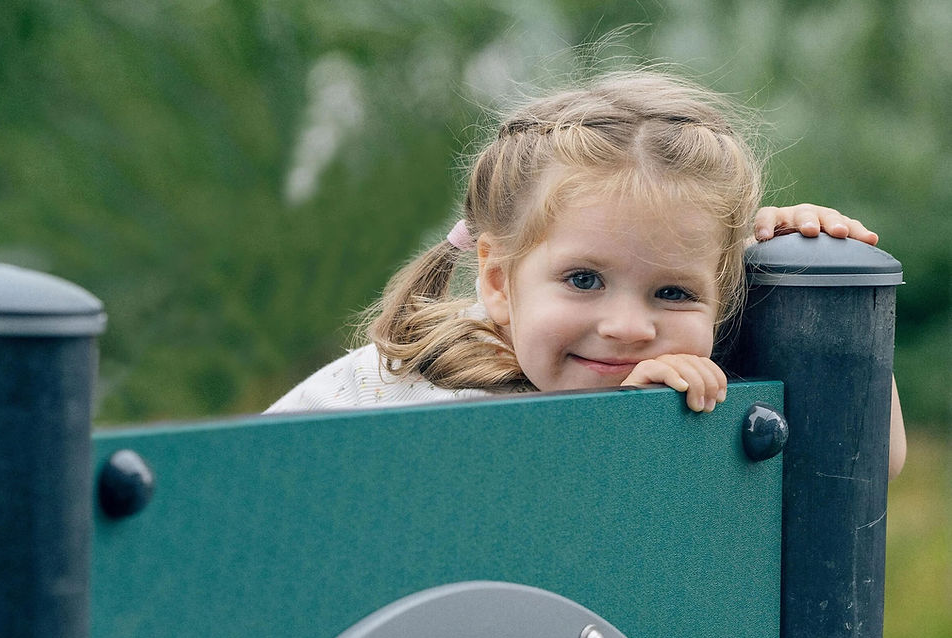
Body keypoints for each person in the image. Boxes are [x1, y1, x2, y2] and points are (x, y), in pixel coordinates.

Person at [265, 71, 905, 477]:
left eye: (675, 291)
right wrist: (630, 431)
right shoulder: (430, 397)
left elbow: (864, 462)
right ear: (498, 282)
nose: (628, 328)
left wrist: (823, 287)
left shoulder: (683, 368)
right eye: (584, 280)